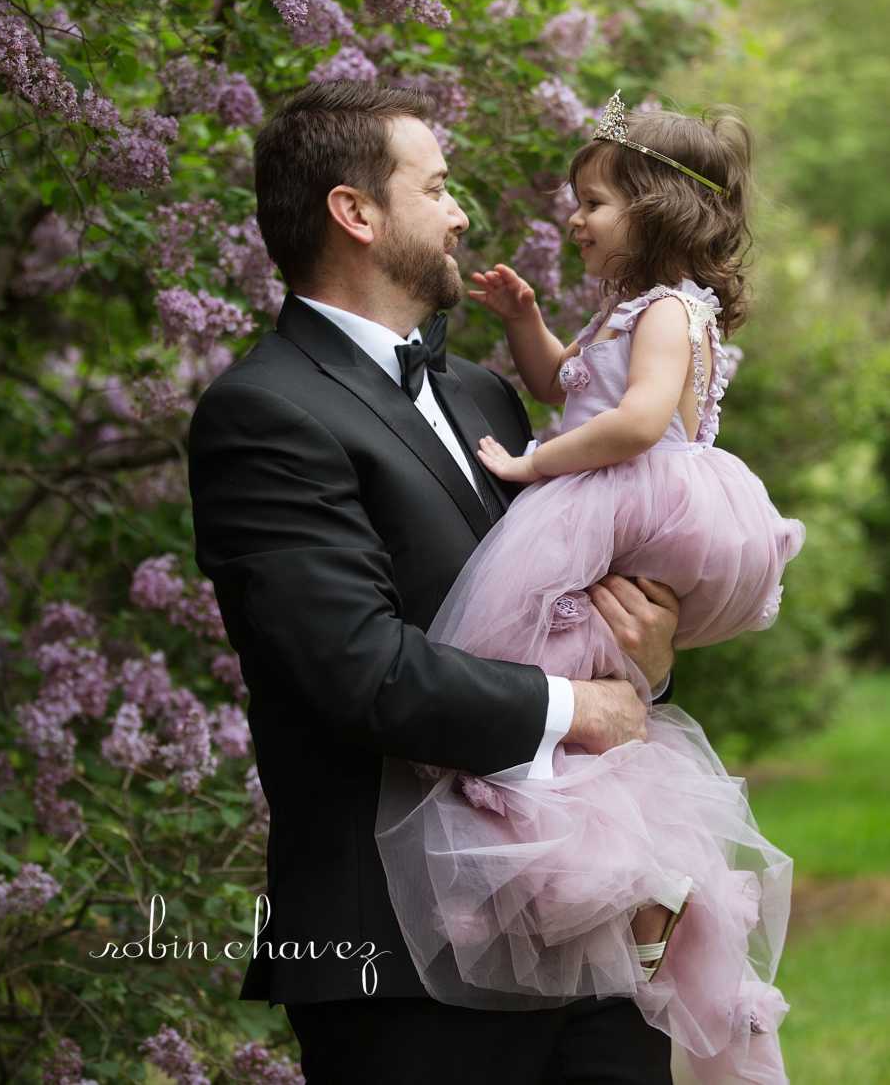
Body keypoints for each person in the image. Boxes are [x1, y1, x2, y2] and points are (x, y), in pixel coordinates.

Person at [187, 80, 685, 1085]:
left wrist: (648, 663)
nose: (462, 214)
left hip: (577, 926)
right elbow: (354, 667)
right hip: (399, 957)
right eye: (439, 187)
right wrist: (574, 707)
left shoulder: (482, 391)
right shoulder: (263, 414)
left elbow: (573, 607)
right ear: (357, 213)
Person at [374, 92, 803, 1085]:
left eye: (596, 201)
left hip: (634, 494)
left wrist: (539, 467)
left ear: (659, 211)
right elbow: (569, 378)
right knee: (568, 683)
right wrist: (526, 322)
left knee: (526, 655)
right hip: (608, 493)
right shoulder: (621, 309)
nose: (576, 218)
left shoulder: (669, 311)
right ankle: (607, 880)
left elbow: (642, 419)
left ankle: (622, 886)